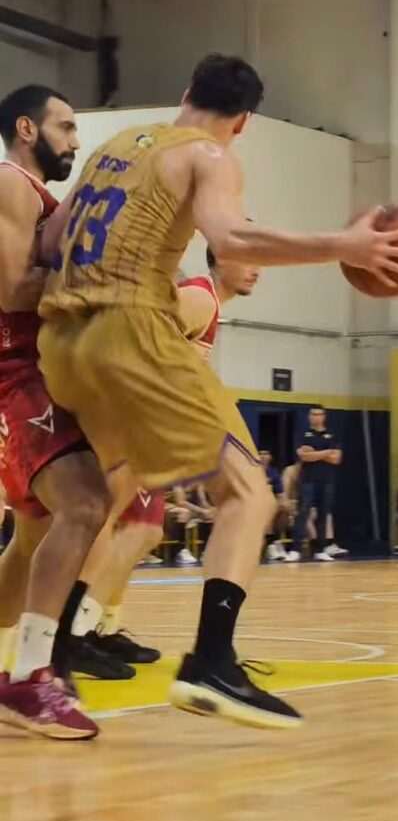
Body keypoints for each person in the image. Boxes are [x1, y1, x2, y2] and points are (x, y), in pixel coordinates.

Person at [35, 53, 398, 729]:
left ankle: (50, 658)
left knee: (101, 500)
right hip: (129, 330)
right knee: (250, 493)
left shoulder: (114, 147)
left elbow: (52, 239)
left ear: (187, 91)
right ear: (242, 122)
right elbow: (231, 234)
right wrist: (344, 245)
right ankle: (212, 663)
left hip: (61, 341)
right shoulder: (208, 155)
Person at [65, 248, 262, 675]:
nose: (257, 268)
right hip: (128, 416)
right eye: (249, 258)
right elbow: (135, 338)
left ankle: (96, 627)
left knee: (144, 528)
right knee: (114, 520)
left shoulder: (206, 303)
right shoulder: (200, 298)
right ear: (220, 257)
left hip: (145, 422)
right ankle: (73, 633)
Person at [0, 85, 113, 740]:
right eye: (65, 126)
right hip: (15, 373)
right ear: (26, 128)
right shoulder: (11, 183)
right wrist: (107, 279)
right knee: (87, 503)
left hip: (39, 372)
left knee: (32, 541)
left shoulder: (38, 198)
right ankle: (31, 676)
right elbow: (13, 289)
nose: (74, 139)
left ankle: (23, 672)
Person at [290, 406, 345, 563]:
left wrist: (314, 453)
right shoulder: (303, 434)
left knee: (323, 514)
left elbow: (336, 459)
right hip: (307, 480)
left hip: (326, 480)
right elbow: (303, 456)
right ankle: (295, 550)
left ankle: (320, 550)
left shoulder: (332, 434)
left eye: (318, 414)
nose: (315, 417)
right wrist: (327, 452)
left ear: (324, 416)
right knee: (303, 513)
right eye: (313, 414)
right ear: (309, 416)